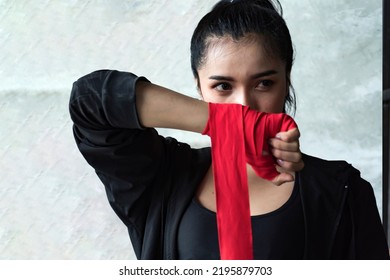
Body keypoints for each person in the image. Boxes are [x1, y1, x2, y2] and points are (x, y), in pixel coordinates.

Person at [69, 0, 389, 259]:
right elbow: (90, 100)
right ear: (198, 88)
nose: (244, 104)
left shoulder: (341, 192)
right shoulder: (161, 176)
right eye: (223, 86)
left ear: (286, 80)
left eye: (264, 83)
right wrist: (227, 125)